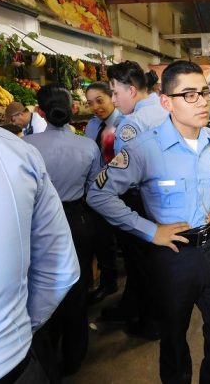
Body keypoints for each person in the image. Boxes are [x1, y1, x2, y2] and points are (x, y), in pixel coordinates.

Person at [87, 60, 210, 384]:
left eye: (204, 92)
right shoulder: (145, 148)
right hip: (173, 256)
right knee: (173, 335)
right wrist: (149, 230)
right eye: (190, 95)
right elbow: (98, 194)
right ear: (166, 101)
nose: (202, 101)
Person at [0, 92, 80, 383]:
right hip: (5, 361)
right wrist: (18, 326)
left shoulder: (26, 145)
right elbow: (60, 269)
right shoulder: (12, 148)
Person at [24, 85, 101, 376]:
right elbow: (96, 188)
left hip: (38, 222)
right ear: (72, 112)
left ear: (40, 112)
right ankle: (74, 355)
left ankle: (46, 353)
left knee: (40, 284)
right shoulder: (87, 146)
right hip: (77, 218)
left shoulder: (27, 146)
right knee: (77, 287)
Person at [99, 62, 167, 338]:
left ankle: (151, 322)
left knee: (142, 263)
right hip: (167, 198)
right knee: (155, 261)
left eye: (115, 93)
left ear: (131, 89)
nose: (113, 101)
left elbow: (123, 171)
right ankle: (140, 309)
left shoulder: (132, 123)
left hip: (140, 199)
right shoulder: (165, 109)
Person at [84, 82, 121, 304]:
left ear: (112, 98)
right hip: (97, 190)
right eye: (90, 103)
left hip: (120, 190)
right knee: (103, 237)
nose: (96, 107)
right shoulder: (91, 126)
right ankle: (109, 281)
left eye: (100, 100)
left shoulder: (125, 124)